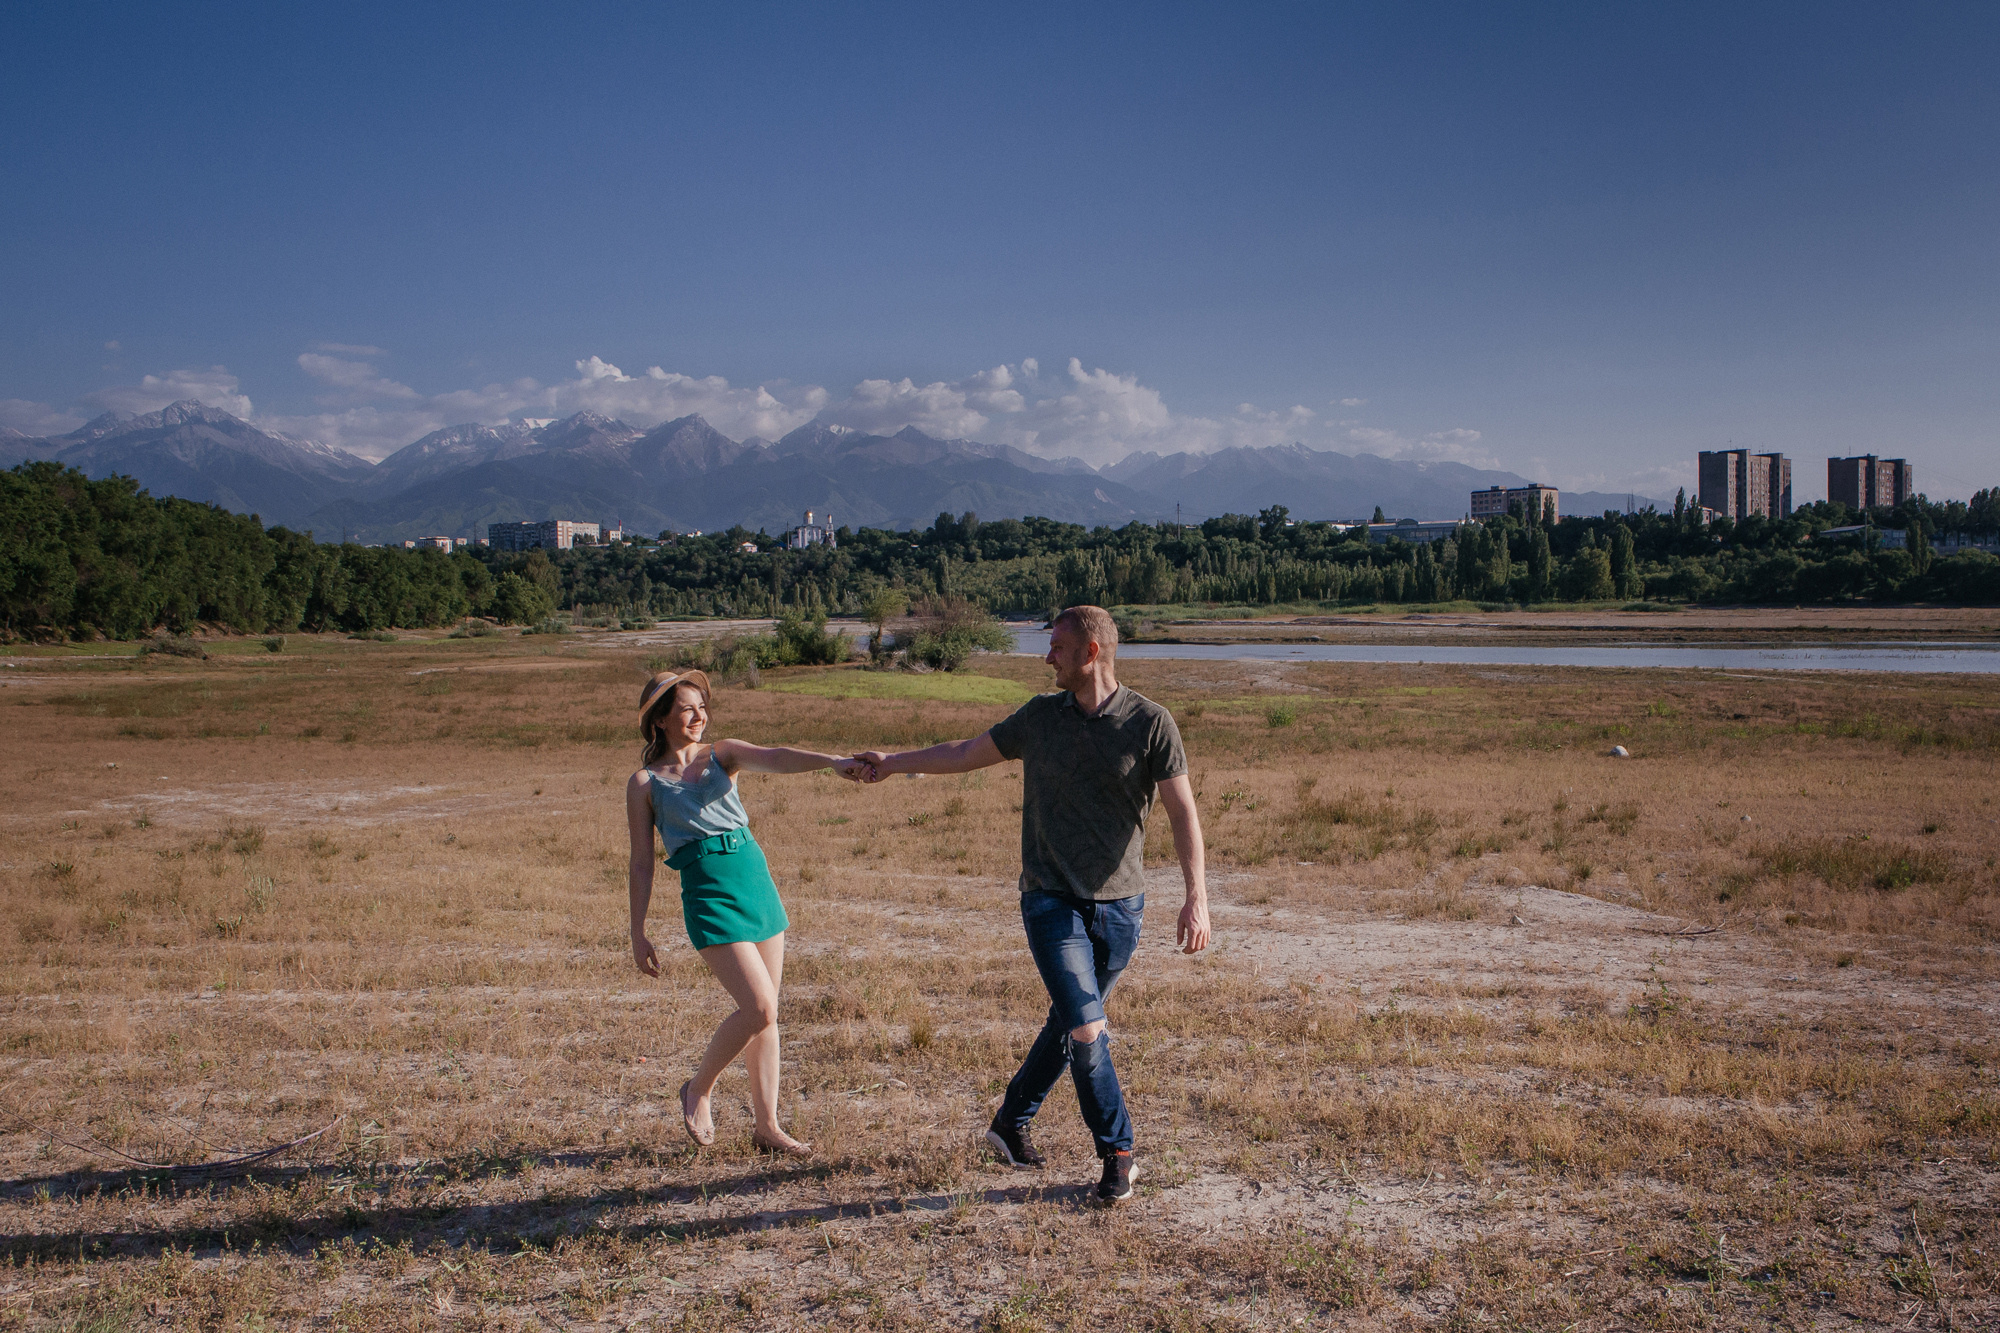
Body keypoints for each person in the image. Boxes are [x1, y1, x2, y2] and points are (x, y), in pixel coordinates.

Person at [858, 605, 1209, 1205]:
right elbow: (965, 752)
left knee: (1069, 1020)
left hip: (1122, 907)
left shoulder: (1151, 723)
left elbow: (1182, 813)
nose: (1047, 658)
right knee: (1087, 1027)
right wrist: (892, 764)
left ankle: (1009, 1122)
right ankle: (1118, 1153)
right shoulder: (1040, 718)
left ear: (1091, 653)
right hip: (1049, 900)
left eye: (1057, 648)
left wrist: (1196, 898)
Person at [627, 668, 873, 1156]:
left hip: (754, 881)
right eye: (686, 709)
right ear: (660, 720)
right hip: (707, 894)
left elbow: (776, 756)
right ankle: (698, 1088)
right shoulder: (644, 784)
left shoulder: (722, 754)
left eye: (702, 707)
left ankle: (767, 1126)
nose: (698, 716)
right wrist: (638, 930)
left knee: (767, 1017)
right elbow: (640, 861)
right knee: (759, 1006)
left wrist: (832, 762)